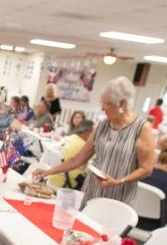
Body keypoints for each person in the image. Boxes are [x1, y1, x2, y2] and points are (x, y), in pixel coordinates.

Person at [33, 76, 155, 205]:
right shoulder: (103, 125)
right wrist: (47, 172)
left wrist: (120, 181)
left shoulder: (142, 128)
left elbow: (146, 169)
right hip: (92, 190)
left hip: (118, 196)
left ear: (122, 103)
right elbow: (78, 159)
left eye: (106, 103)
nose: (102, 108)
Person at [44, 119, 93, 190]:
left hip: (53, 178)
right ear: (88, 132)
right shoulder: (84, 146)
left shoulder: (71, 137)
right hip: (66, 184)